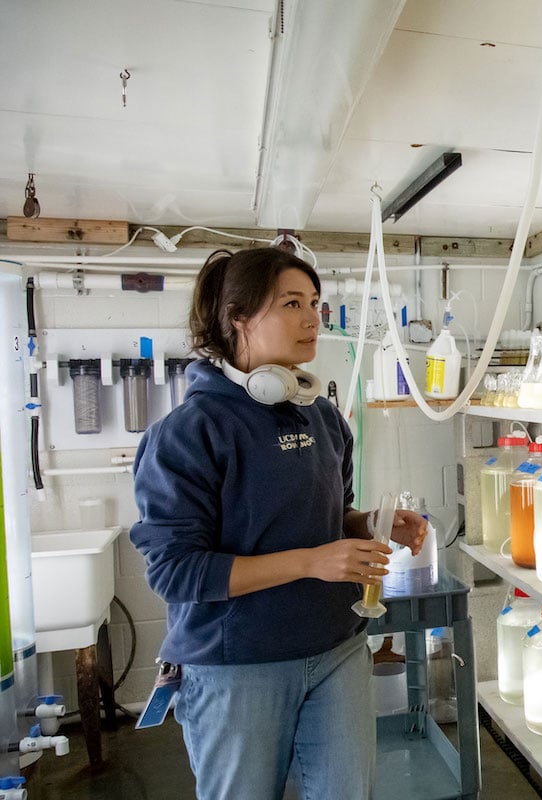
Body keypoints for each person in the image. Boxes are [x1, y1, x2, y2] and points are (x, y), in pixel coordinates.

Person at [130, 247, 428, 799]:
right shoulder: (189, 432)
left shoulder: (321, 416)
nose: (313, 317)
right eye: (292, 303)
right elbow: (176, 573)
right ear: (236, 318)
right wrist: (313, 563)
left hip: (336, 647)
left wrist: (369, 525)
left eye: (315, 303)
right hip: (237, 665)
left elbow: (328, 516)